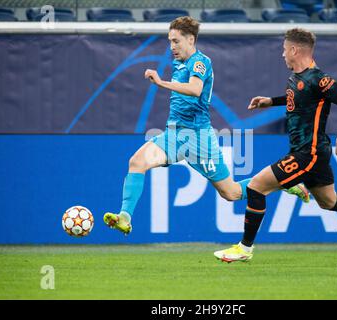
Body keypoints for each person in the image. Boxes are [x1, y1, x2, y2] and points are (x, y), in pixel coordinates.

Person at [103, 17, 309, 235]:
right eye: (170, 41)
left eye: (176, 41)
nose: (172, 46)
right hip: (174, 134)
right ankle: (124, 217)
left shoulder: (200, 62)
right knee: (136, 162)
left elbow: (195, 89)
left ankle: (284, 182)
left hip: (198, 138)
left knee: (231, 193)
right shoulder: (178, 62)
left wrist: (161, 82)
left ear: (191, 39)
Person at [214, 28, 337, 262]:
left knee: (257, 186)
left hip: (309, 153)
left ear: (294, 49)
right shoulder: (297, 78)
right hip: (310, 152)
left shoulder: (318, 79)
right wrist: (271, 102)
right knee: (329, 201)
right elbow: (299, 99)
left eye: (284, 49)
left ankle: (244, 248)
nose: (282, 54)